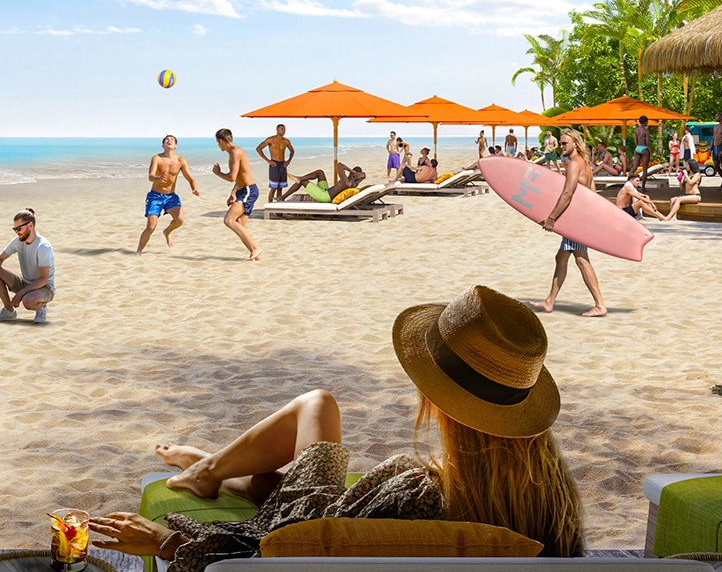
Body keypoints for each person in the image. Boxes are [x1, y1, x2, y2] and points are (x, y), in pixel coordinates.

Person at [90, 286, 584, 569]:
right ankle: (208, 466)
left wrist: (164, 542)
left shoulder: (420, 494)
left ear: (437, 401)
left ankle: (208, 469)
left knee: (317, 406)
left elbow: (281, 547)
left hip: (307, 524)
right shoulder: (553, 506)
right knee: (303, 450)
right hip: (325, 516)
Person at [528, 129, 607, 317]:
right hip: (581, 217)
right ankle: (549, 301)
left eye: (564, 143)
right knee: (561, 258)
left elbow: (567, 193)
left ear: (575, 144)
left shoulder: (574, 164)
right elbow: (593, 192)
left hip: (576, 219)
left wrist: (552, 218)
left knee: (581, 259)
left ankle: (599, 304)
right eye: (561, 143)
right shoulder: (586, 164)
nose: (560, 146)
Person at [0, 208, 55, 324]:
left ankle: (41, 306)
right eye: (14, 229)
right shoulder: (18, 241)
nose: (16, 232)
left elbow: (44, 279)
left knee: (28, 301)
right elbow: (0, 258)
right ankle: (9, 311)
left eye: (19, 228)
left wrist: (20, 294)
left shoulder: (43, 247)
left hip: (44, 288)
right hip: (26, 283)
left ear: (30, 225)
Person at [138, 135, 201, 254]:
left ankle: (167, 232)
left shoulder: (180, 161)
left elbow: (190, 178)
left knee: (180, 220)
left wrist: (194, 189)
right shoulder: (157, 158)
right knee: (151, 227)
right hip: (155, 196)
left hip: (171, 196)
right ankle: (138, 252)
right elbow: (150, 177)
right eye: (167, 139)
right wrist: (158, 178)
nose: (169, 140)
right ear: (163, 145)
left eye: (172, 140)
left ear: (176, 146)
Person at [212, 129, 261, 262]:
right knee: (240, 225)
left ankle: (255, 248)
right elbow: (240, 176)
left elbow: (232, 177)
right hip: (243, 191)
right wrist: (233, 194)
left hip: (248, 191)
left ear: (221, 141)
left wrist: (218, 173)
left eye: (217, 142)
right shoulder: (234, 152)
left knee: (229, 220)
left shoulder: (235, 152)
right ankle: (258, 257)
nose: (218, 145)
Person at [280, 162, 366, 202]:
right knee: (320, 172)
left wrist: (352, 171)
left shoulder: (346, 182)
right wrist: (360, 175)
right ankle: (300, 178)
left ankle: (282, 197)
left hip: (324, 197)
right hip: (326, 191)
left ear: (353, 174)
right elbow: (364, 175)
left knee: (303, 182)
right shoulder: (355, 183)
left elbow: (339, 165)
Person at [256, 125, 295, 202]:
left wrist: (289, 160)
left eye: (284, 129)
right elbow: (258, 148)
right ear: (277, 130)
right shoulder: (271, 139)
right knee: (273, 188)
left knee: (280, 188)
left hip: (283, 165)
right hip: (274, 164)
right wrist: (268, 161)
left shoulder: (286, 141)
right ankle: (270, 206)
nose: (283, 131)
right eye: (281, 129)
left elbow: (292, 151)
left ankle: (278, 207)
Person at [630, 116, 652, 186]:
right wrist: (651, 154)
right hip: (644, 148)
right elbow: (648, 143)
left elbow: (635, 141)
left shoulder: (636, 130)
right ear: (646, 122)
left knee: (634, 167)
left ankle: (628, 183)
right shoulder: (646, 131)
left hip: (637, 148)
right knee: (645, 168)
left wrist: (638, 146)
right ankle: (643, 187)